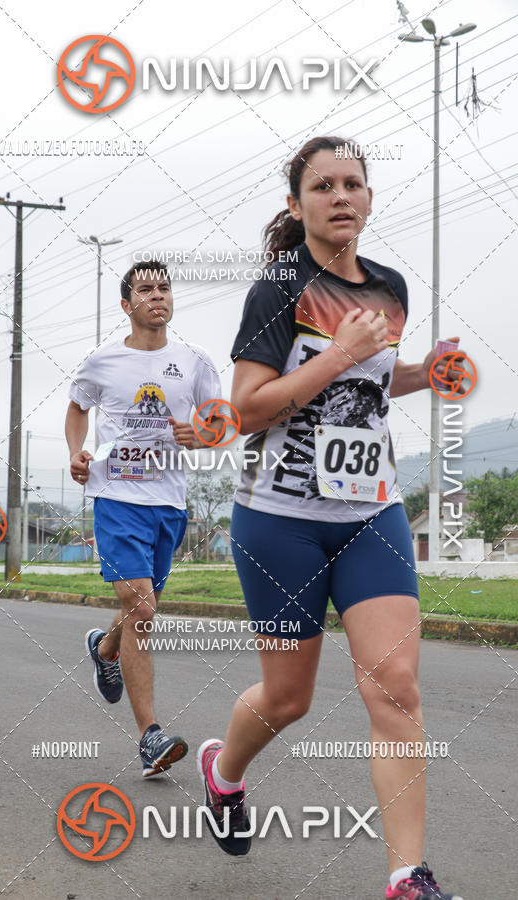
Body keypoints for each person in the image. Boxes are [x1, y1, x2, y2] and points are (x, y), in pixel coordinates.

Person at [197, 137, 466, 900]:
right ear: (297, 205)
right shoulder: (277, 290)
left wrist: (424, 373)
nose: (341, 196)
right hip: (279, 518)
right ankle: (225, 770)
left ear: (371, 201)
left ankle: (407, 877)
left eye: (354, 184)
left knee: (397, 688)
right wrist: (338, 355)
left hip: (370, 511)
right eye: (324, 186)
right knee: (289, 699)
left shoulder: (389, 288)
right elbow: (244, 412)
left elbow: (368, 392)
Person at [66, 260, 221, 777]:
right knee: (144, 611)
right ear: (127, 304)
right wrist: (76, 451)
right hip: (115, 496)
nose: (158, 296)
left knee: (142, 608)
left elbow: (221, 424)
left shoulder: (196, 361)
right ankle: (149, 735)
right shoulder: (101, 360)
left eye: (164, 288)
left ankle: (105, 648)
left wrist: (204, 436)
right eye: (146, 289)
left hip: (169, 504)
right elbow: (77, 407)